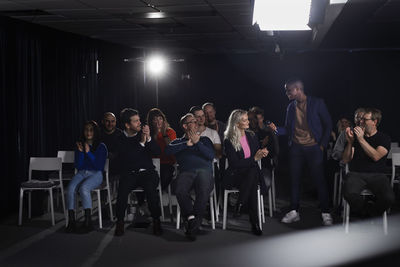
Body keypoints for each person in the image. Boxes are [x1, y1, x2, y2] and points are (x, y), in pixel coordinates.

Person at [269, 78, 333, 226]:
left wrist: (322, 145)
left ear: (298, 89)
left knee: (319, 180)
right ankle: (294, 211)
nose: (287, 93)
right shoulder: (291, 107)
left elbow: (328, 124)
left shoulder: (317, 103)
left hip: (314, 147)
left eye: (288, 90)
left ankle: (325, 212)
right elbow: (287, 129)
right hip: (297, 147)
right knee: (294, 179)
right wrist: (276, 130)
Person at [165, 113, 215, 241]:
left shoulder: (205, 140)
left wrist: (197, 143)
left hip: (204, 171)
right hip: (186, 172)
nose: (196, 122)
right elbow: (167, 151)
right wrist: (186, 144)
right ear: (185, 126)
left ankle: (191, 225)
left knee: (203, 190)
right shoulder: (178, 141)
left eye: (196, 121)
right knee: (180, 189)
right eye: (192, 121)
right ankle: (192, 219)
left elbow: (210, 156)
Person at [114, 108, 163, 237]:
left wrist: (149, 139)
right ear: (127, 125)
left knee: (151, 190)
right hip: (129, 173)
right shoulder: (120, 139)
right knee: (122, 190)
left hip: (147, 173)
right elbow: (128, 158)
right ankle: (120, 222)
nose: (139, 123)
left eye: (139, 120)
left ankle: (156, 221)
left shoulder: (143, 134)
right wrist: (141, 143)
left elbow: (157, 152)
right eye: (135, 121)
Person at [342, 108, 395, 217]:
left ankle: (369, 214)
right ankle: (368, 212)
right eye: (360, 119)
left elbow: (376, 156)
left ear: (374, 122)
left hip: (378, 176)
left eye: (364, 120)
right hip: (356, 174)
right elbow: (346, 159)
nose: (361, 122)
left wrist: (361, 139)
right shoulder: (355, 138)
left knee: (389, 198)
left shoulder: (384, 138)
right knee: (349, 193)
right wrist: (350, 143)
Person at [224, 109, 269, 236]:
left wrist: (262, 153)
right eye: (244, 120)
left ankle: (240, 203)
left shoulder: (252, 135)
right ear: (237, 123)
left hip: (250, 174)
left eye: (247, 119)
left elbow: (256, 154)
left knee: (252, 174)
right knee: (253, 174)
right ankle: (254, 223)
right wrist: (254, 158)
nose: (248, 122)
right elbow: (234, 164)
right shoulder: (229, 140)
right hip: (236, 175)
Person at [65, 120, 107, 233]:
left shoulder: (101, 146)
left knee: (84, 188)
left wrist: (88, 152)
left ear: (95, 132)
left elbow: (99, 166)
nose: (88, 132)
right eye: (86, 130)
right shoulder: (80, 145)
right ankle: (72, 221)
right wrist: (80, 153)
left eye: (91, 130)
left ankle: (88, 222)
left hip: (96, 174)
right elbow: (78, 165)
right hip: (82, 172)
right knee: (70, 189)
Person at [147, 108, 177, 190]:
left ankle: (156, 195)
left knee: (166, 176)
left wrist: (164, 134)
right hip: (151, 164)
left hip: (167, 163)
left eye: (160, 118)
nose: (158, 121)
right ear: (151, 121)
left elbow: (171, 148)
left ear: (163, 120)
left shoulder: (170, 131)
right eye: (155, 119)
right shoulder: (148, 133)